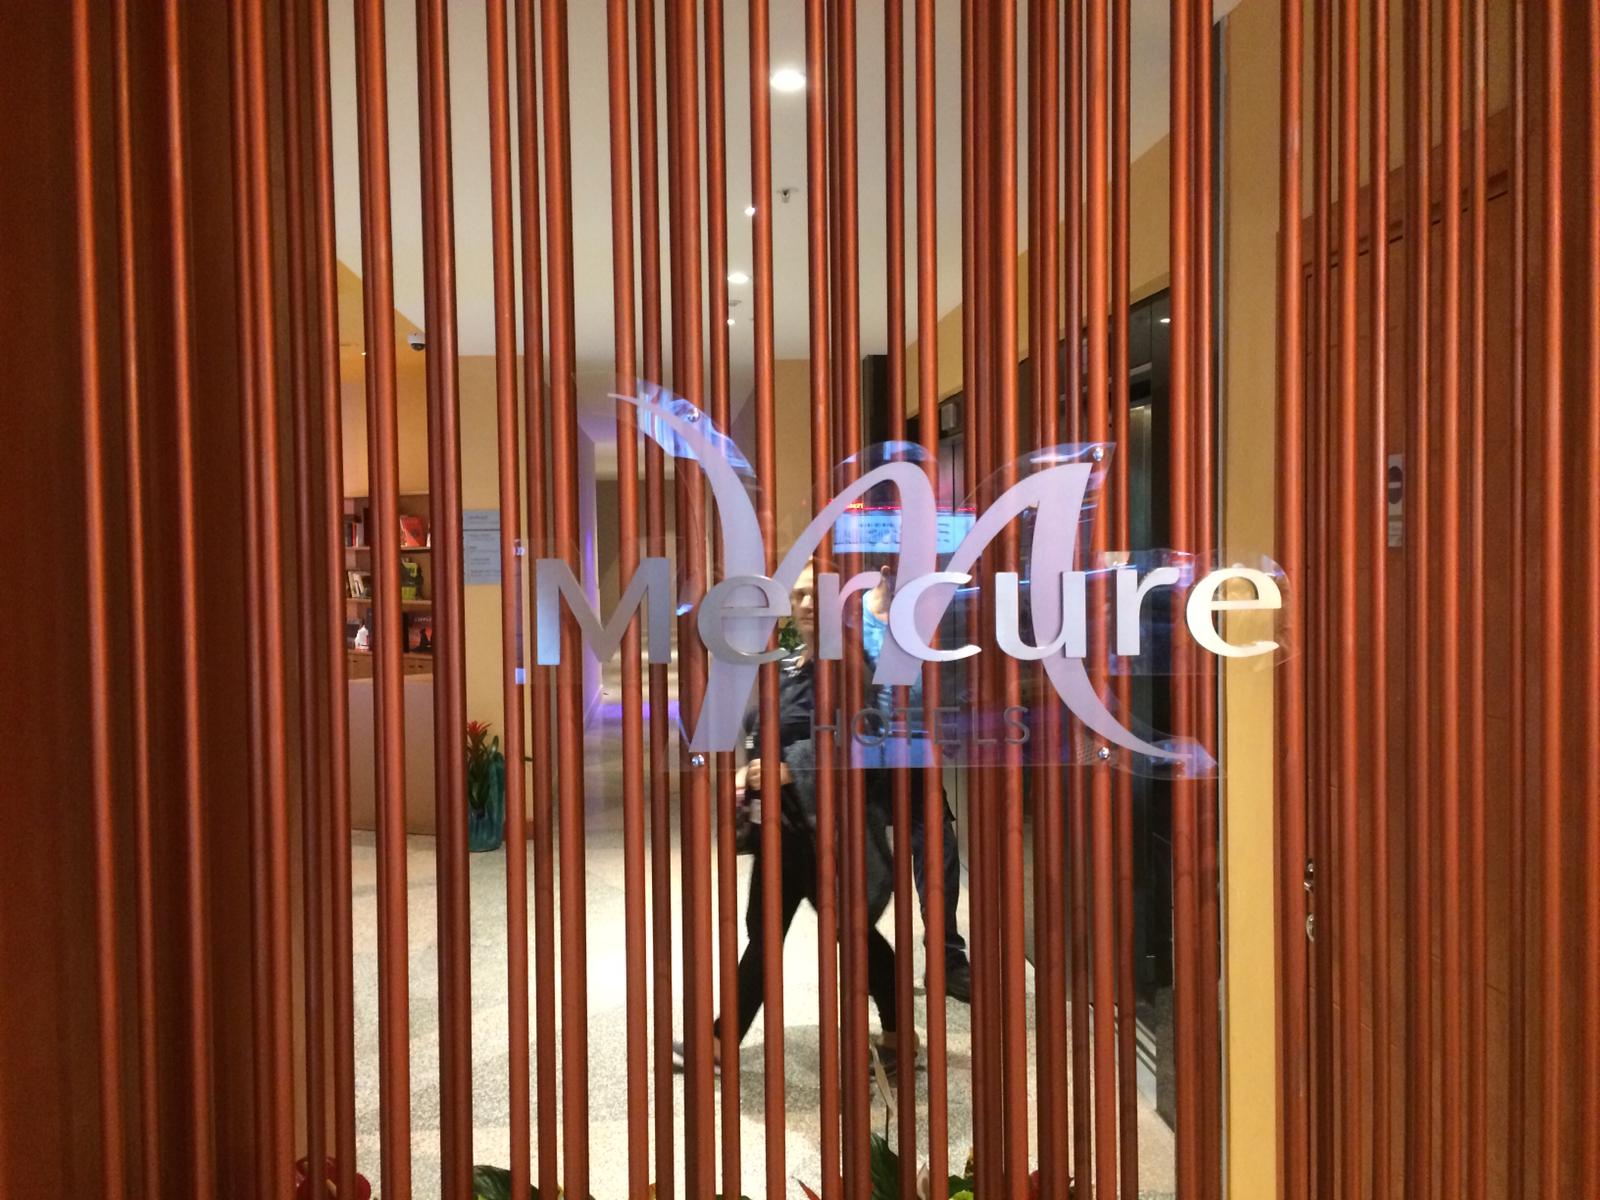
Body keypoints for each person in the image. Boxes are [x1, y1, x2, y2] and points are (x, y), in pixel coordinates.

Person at [675, 564, 907, 1078]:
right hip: (787, 824)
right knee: (786, 932)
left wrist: (789, 768)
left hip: (827, 830)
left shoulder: (850, 666)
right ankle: (722, 1039)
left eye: (815, 594)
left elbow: (862, 740)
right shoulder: (795, 662)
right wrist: (752, 767)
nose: (805, 604)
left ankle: (723, 1039)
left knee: (848, 934)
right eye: (798, 595)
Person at [860, 565, 974, 1004]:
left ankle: (947, 959)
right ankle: (868, 961)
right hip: (867, 760)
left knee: (939, 853)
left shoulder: (927, 625)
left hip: (916, 754)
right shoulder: (854, 622)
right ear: (888, 573)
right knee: (867, 866)